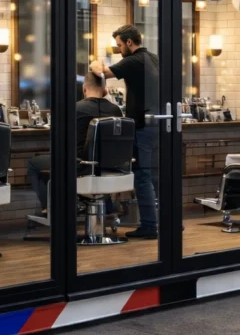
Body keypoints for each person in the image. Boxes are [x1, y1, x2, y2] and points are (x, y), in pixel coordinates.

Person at [90, 24, 160, 239]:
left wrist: (94, 61)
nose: (119, 49)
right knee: (158, 176)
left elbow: (100, 72)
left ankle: (149, 226)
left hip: (144, 125)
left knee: (142, 176)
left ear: (130, 42)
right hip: (161, 123)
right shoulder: (154, 58)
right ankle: (171, 222)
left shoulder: (133, 60)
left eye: (120, 45)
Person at [27, 71, 122, 212]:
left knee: (34, 164)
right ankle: (104, 205)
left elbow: (60, 137)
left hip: (79, 165)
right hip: (109, 167)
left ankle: (50, 209)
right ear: (105, 90)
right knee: (96, 162)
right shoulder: (116, 110)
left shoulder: (75, 109)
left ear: (84, 89)